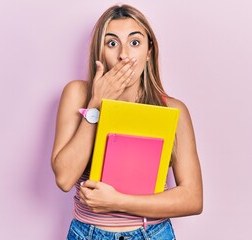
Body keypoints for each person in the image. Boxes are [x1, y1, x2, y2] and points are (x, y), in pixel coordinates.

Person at [51, 4, 203, 240]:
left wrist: (117, 202)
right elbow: (64, 178)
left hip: (152, 233)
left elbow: (193, 198)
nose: (124, 54)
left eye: (134, 42)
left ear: (149, 50)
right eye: (112, 43)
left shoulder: (173, 109)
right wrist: (97, 104)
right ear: (99, 53)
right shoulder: (78, 93)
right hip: (87, 233)